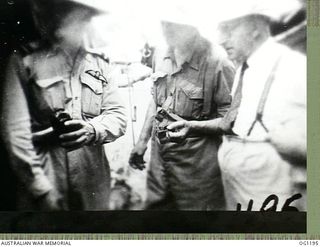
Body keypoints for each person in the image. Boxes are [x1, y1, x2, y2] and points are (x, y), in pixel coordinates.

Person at [171, 0, 306, 211]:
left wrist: (291, 146)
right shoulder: (244, 67)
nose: (221, 40)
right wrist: (192, 126)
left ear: (255, 27)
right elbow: (231, 124)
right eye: (218, 30)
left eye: (228, 29)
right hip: (238, 192)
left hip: (274, 199)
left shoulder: (295, 67)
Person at [1, 0, 127, 210]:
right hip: (48, 175)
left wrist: (92, 129)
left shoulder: (99, 63)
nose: (84, 22)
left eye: (86, 16)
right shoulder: (25, 61)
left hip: (92, 179)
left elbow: (119, 116)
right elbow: (16, 135)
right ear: (56, 17)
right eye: (77, 16)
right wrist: (41, 189)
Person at [129, 15, 235, 210]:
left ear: (193, 24)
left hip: (197, 169)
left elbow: (230, 120)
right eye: (164, 22)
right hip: (159, 161)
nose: (167, 29)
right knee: (158, 218)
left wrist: (192, 126)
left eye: (174, 23)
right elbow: (156, 101)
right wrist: (142, 142)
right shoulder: (160, 53)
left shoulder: (219, 61)